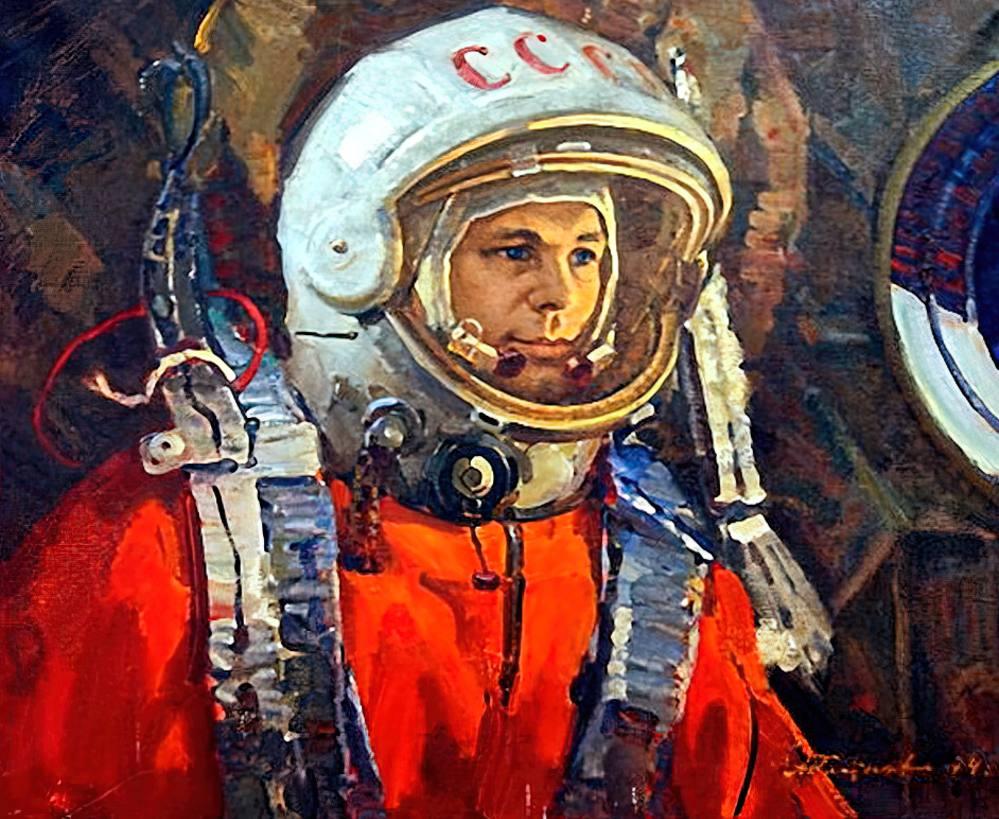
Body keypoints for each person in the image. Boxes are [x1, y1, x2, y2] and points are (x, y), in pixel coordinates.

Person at [0, 7, 852, 818]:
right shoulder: (178, 547)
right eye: (513, 249)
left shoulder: (657, 572)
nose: (561, 298)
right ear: (362, 261)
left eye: (585, 254)